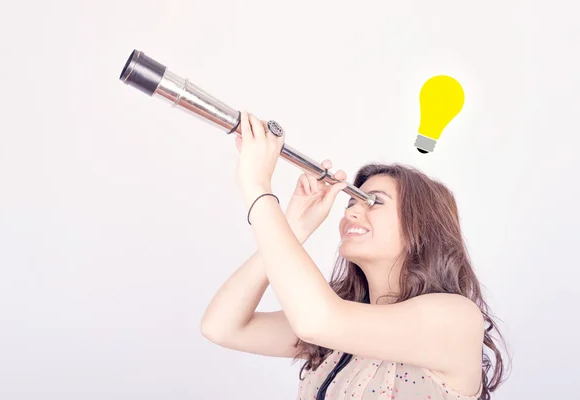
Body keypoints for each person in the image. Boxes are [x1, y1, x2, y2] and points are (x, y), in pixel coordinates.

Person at [200, 111, 510, 400]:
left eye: (374, 202)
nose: (353, 212)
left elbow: (316, 319)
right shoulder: (343, 323)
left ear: (421, 225)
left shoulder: (455, 318)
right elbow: (223, 326)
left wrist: (257, 188)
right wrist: (293, 228)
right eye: (350, 204)